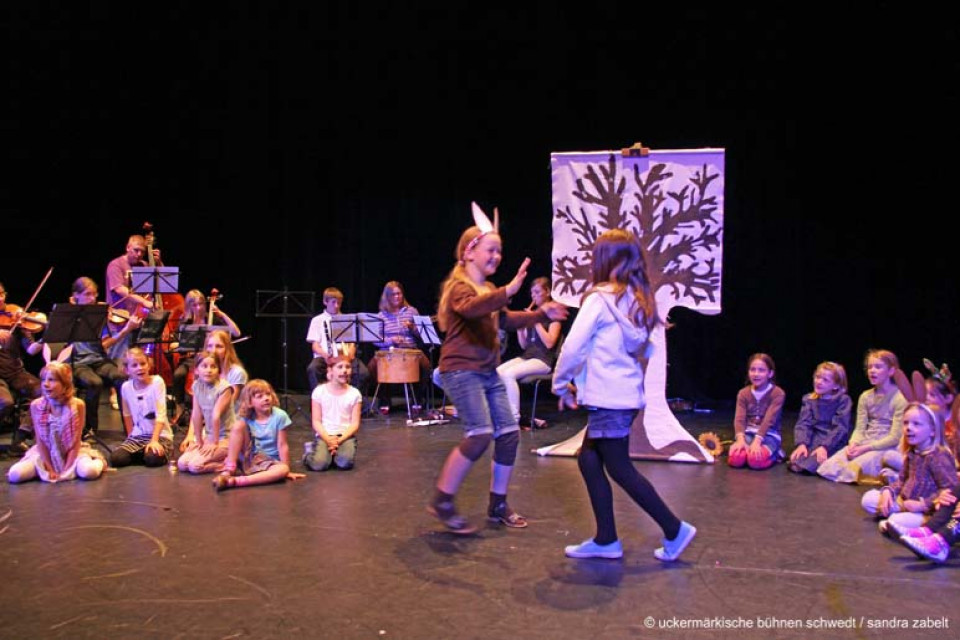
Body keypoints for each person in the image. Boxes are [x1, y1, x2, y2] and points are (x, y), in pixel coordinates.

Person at [552, 228, 696, 561]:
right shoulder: (637, 298)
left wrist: (560, 384)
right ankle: (606, 540)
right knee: (589, 459)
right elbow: (642, 348)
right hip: (624, 398)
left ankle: (674, 529)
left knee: (618, 467)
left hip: (608, 400)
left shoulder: (600, 299)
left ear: (606, 260)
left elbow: (573, 346)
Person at [427, 203, 568, 533]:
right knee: (480, 434)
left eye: (500, 252)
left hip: (488, 371)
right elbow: (473, 310)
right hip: (461, 370)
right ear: (469, 252)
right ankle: (442, 500)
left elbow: (502, 318)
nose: (497, 257)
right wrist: (509, 291)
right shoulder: (459, 289)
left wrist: (541, 314)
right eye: (491, 250)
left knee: (507, 434)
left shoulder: (489, 291)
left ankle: (498, 503)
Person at [862, 402, 957, 534]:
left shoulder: (938, 456)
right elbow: (901, 480)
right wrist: (888, 492)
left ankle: (905, 523)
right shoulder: (913, 452)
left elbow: (949, 490)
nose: (908, 428)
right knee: (868, 499)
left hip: (924, 511)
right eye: (906, 423)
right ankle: (895, 516)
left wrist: (923, 504)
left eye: (916, 424)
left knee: (894, 520)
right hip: (904, 502)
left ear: (932, 431)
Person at [817, 349, 907, 483]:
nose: (872, 371)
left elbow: (894, 437)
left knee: (852, 469)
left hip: (884, 445)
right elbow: (860, 428)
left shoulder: (900, 398)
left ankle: (892, 475)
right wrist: (853, 444)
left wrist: (865, 448)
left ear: (891, 371)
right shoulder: (865, 396)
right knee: (828, 467)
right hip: (866, 440)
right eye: (870, 367)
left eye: (878, 367)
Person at [7, 362, 106, 483]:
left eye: (52, 380)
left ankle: (98, 461)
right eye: (43, 380)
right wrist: (49, 469)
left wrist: (66, 469)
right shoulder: (36, 405)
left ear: (64, 384)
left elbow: (75, 442)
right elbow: (40, 441)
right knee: (15, 474)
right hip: (45, 454)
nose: (46, 384)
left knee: (89, 471)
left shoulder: (77, 405)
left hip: (71, 453)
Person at [67, 277, 138, 441]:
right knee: (95, 383)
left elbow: (106, 344)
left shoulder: (99, 315)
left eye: (94, 294)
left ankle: (130, 428)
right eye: (87, 294)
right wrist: (126, 329)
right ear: (76, 296)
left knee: (122, 377)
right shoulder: (68, 315)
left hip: (98, 359)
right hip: (78, 362)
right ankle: (90, 429)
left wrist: (126, 330)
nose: (92, 299)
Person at [496, 277, 563, 429]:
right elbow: (524, 345)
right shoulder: (533, 315)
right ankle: (502, 414)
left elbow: (550, 343)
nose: (534, 296)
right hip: (528, 357)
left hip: (543, 361)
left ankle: (514, 419)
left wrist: (536, 321)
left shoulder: (553, 317)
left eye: (537, 292)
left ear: (547, 292)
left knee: (508, 374)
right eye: (532, 293)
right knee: (498, 372)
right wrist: (521, 326)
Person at [213, 379, 304, 491]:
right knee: (238, 426)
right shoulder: (246, 418)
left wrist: (287, 469)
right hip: (250, 457)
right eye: (260, 396)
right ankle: (229, 469)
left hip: (269, 462)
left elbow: (282, 445)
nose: (266, 398)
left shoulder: (280, 416)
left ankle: (237, 481)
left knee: (282, 469)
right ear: (250, 402)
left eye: (268, 394)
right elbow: (238, 439)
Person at [170, 289, 242, 422]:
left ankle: (208, 410)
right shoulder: (185, 322)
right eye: (194, 305)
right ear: (189, 306)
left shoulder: (212, 318)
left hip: (213, 360)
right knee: (178, 375)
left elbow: (236, 332)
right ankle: (179, 408)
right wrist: (179, 345)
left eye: (201, 304)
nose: (198, 308)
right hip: (190, 359)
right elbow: (174, 343)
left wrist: (222, 314)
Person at [367, 281, 431, 411]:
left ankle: (417, 398)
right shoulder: (381, 315)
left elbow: (422, 335)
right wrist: (391, 340)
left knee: (426, 365)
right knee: (372, 367)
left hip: (410, 350)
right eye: (393, 295)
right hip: (387, 352)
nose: (397, 297)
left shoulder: (412, 311)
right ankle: (384, 400)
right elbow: (375, 340)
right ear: (387, 297)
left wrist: (413, 328)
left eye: (399, 293)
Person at [110, 347, 174, 468]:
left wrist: (154, 441)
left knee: (152, 459)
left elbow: (161, 414)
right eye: (134, 365)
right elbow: (127, 414)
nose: (140, 367)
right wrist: (130, 437)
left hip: (160, 435)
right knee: (116, 459)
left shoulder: (157, 382)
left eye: (143, 363)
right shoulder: (126, 387)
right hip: (139, 436)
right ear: (127, 370)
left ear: (149, 365)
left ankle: (149, 453)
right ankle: (142, 452)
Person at [0, 280, 43, 453]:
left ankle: (19, 438)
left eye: (2, 294)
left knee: (41, 392)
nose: (0, 299)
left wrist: (44, 338)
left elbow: (31, 350)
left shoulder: (15, 316)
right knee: (6, 402)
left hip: (15, 371)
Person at [787, 361, 853, 474]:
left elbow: (840, 427)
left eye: (825, 380)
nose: (819, 382)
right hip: (814, 437)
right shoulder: (809, 399)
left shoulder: (843, 400)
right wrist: (802, 443)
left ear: (836, 385)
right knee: (795, 462)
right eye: (817, 377)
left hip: (833, 440)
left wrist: (825, 446)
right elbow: (803, 423)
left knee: (809, 464)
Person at [176, 350, 236, 474]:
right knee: (182, 464)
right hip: (208, 436)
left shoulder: (225, 388)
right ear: (197, 370)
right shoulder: (197, 386)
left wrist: (214, 442)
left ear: (218, 370)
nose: (209, 370)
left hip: (225, 437)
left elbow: (216, 415)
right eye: (204, 366)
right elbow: (197, 414)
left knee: (194, 466)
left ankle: (224, 463)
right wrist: (198, 441)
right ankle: (214, 456)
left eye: (213, 367)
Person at [304, 352, 363, 471]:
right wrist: (328, 439)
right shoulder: (319, 391)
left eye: (348, 367)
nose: (345, 371)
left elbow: (355, 424)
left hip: (345, 436)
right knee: (319, 464)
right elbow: (316, 421)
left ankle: (334, 453)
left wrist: (338, 441)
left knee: (344, 463)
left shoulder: (354, 393)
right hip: (325, 435)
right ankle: (309, 452)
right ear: (330, 370)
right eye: (340, 367)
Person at [727, 353, 786, 470]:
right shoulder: (743, 393)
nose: (756, 374)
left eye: (761, 370)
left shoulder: (777, 393)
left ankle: (777, 453)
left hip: (769, 435)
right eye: (752, 370)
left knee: (755, 461)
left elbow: (769, 420)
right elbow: (739, 419)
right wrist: (740, 440)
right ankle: (748, 453)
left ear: (770, 373)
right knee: (736, 459)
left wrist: (757, 442)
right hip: (748, 433)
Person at [305, 287, 370, 393]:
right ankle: (319, 400)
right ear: (325, 302)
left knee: (363, 373)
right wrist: (326, 356)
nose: (336, 306)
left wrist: (348, 357)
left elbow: (351, 344)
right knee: (313, 369)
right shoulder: (317, 320)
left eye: (339, 303)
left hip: (344, 356)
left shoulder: (347, 319)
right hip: (325, 357)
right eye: (333, 302)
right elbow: (315, 346)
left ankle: (351, 401)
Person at [104, 234, 156, 361]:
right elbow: (119, 289)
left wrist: (158, 262)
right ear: (128, 247)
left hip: (138, 318)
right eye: (136, 250)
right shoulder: (115, 265)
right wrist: (143, 301)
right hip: (120, 319)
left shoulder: (144, 265)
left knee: (139, 360)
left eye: (142, 252)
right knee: (120, 360)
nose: (139, 254)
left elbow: (157, 283)